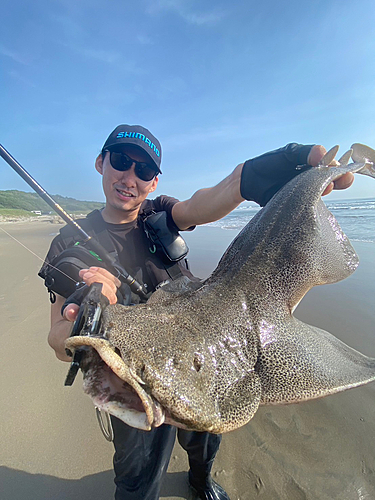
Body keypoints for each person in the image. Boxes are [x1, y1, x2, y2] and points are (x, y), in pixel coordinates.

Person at [40, 124, 354, 500]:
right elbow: (57, 339)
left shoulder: (157, 214)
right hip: (137, 379)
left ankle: (200, 480)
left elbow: (207, 201)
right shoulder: (69, 242)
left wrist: (250, 176)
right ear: (100, 162)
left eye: (143, 171)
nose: (130, 177)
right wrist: (86, 318)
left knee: (205, 441)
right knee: (137, 475)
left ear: (153, 182)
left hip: (206, 359)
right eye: (121, 161)